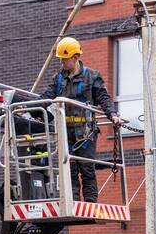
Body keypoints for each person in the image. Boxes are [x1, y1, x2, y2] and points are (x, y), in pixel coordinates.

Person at [39, 36, 125, 203]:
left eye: (65, 59)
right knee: (69, 169)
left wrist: (113, 115)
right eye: (61, 60)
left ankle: (91, 202)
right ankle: (74, 202)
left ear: (76, 57)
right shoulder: (58, 79)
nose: (62, 63)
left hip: (85, 133)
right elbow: (47, 97)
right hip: (65, 132)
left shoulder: (92, 76)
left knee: (86, 167)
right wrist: (27, 109)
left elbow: (104, 98)